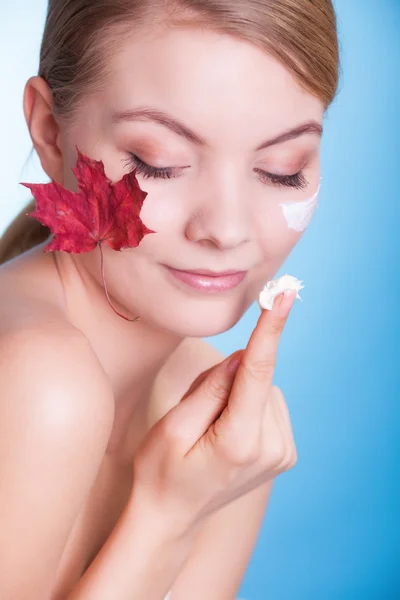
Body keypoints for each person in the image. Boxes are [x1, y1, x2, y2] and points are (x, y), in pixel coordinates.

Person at [0, 1, 339, 599]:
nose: (228, 229)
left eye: (283, 170)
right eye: (159, 164)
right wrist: (167, 516)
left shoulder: (219, 421)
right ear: (51, 131)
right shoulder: (37, 378)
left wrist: (196, 493)